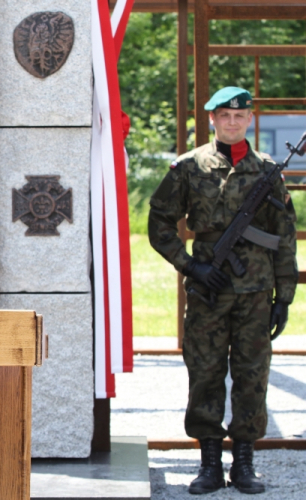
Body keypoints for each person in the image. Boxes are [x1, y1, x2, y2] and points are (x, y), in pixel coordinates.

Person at [148, 86, 298, 495]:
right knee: (205, 373)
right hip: (207, 293)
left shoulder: (267, 169)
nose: (232, 122)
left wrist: (284, 296)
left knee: (252, 376)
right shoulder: (188, 167)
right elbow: (160, 223)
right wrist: (191, 266)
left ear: (249, 119)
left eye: (240, 115)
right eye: (224, 115)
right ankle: (210, 462)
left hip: (255, 294)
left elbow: (284, 237)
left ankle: (244, 462)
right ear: (211, 118)